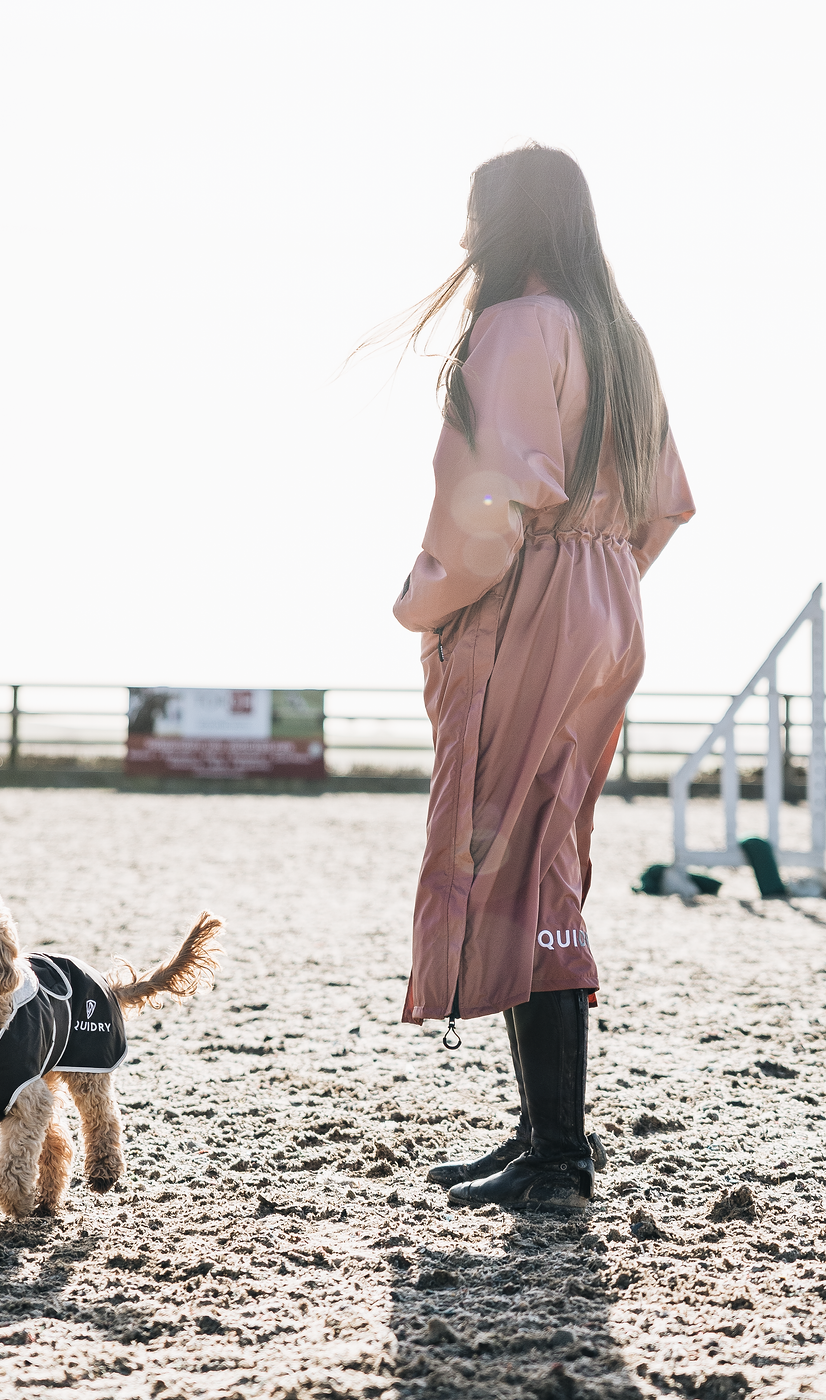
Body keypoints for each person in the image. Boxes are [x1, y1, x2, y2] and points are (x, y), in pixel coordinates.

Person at [393, 145, 694, 1208]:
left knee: (506, 850)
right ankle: (545, 1130)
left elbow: (498, 505)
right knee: (551, 850)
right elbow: (664, 501)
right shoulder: (620, 334)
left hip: (535, 590)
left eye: (477, 213)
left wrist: (427, 596)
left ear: (509, 220)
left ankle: (557, 1150)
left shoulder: (519, 325)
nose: (467, 235)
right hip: (611, 594)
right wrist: (600, 577)